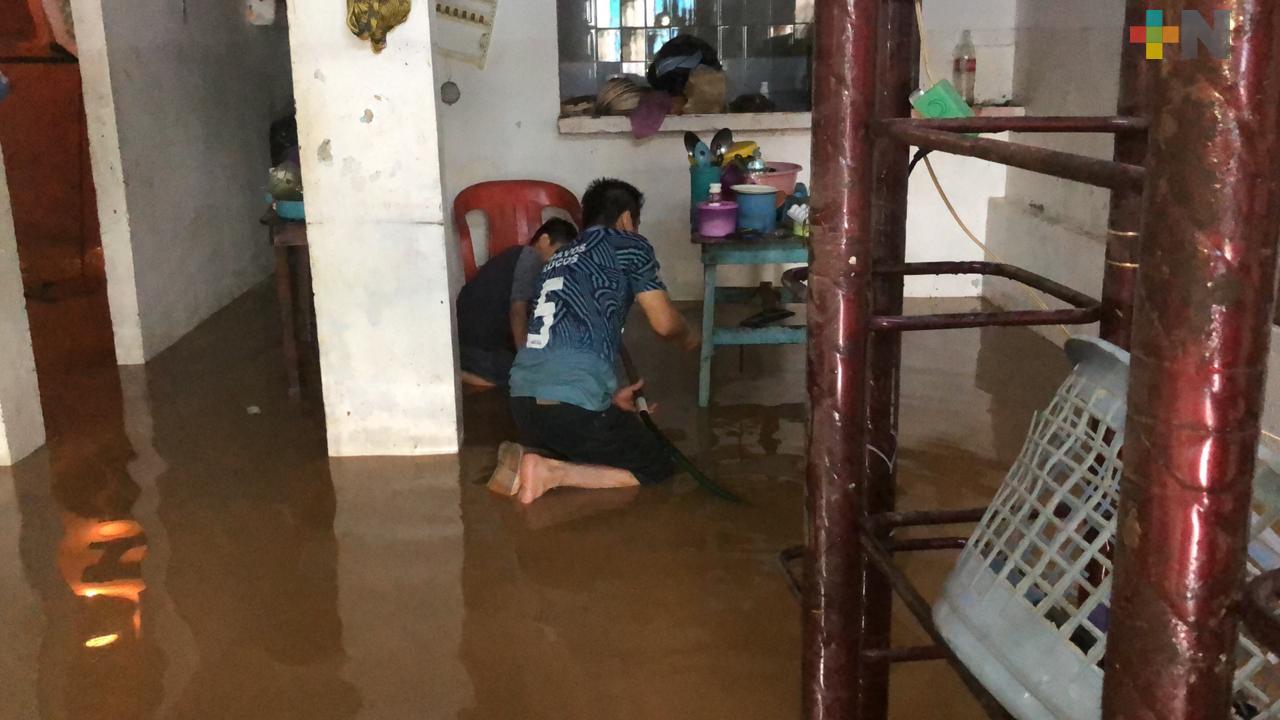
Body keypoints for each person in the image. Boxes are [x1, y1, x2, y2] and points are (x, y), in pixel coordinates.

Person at [488, 178, 698, 504]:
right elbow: (664, 323)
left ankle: (536, 455)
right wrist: (688, 335)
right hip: (570, 409)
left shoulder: (556, 259)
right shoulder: (628, 243)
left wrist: (610, 397)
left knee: (590, 434)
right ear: (628, 219)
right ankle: (549, 472)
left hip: (522, 404)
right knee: (657, 467)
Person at [455, 218, 578, 389]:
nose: (558, 263)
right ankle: (462, 374)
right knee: (534, 376)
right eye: (558, 253)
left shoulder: (519, 259)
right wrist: (526, 360)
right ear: (544, 240)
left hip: (476, 343)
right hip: (477, 346)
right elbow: (517, 310)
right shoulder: (531, 257)